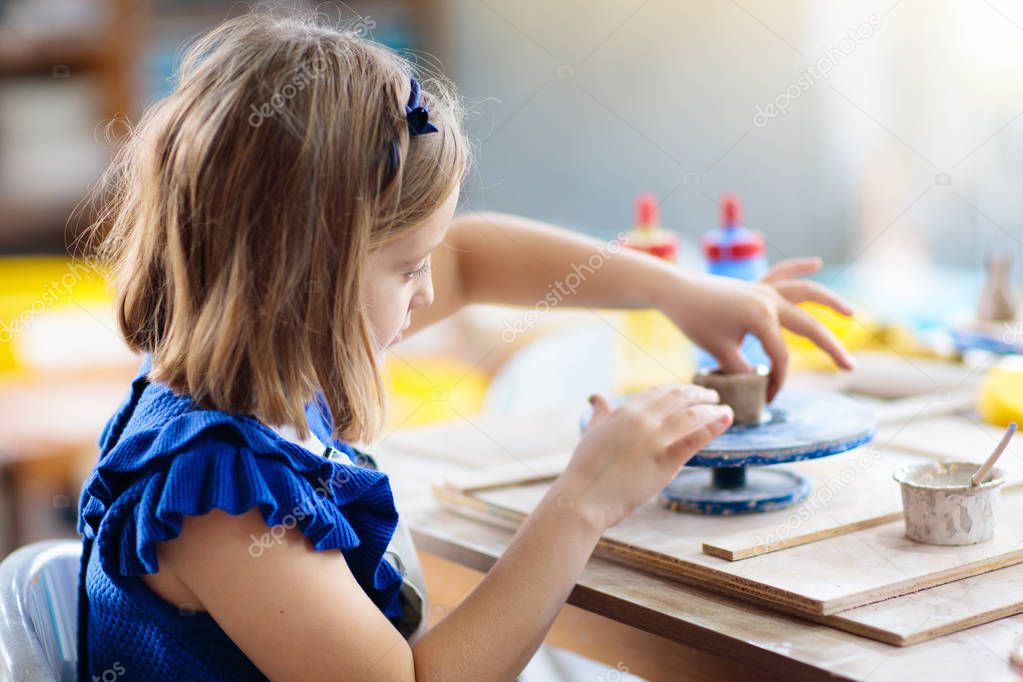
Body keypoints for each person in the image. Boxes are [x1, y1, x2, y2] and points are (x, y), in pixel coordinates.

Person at [77, 10, 855, 681]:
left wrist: (679, 291)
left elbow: (475, 257)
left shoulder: (263, 360)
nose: (428, 290)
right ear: (304, 277)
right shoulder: (221, 497)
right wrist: (583, 501)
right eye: (408, 267)